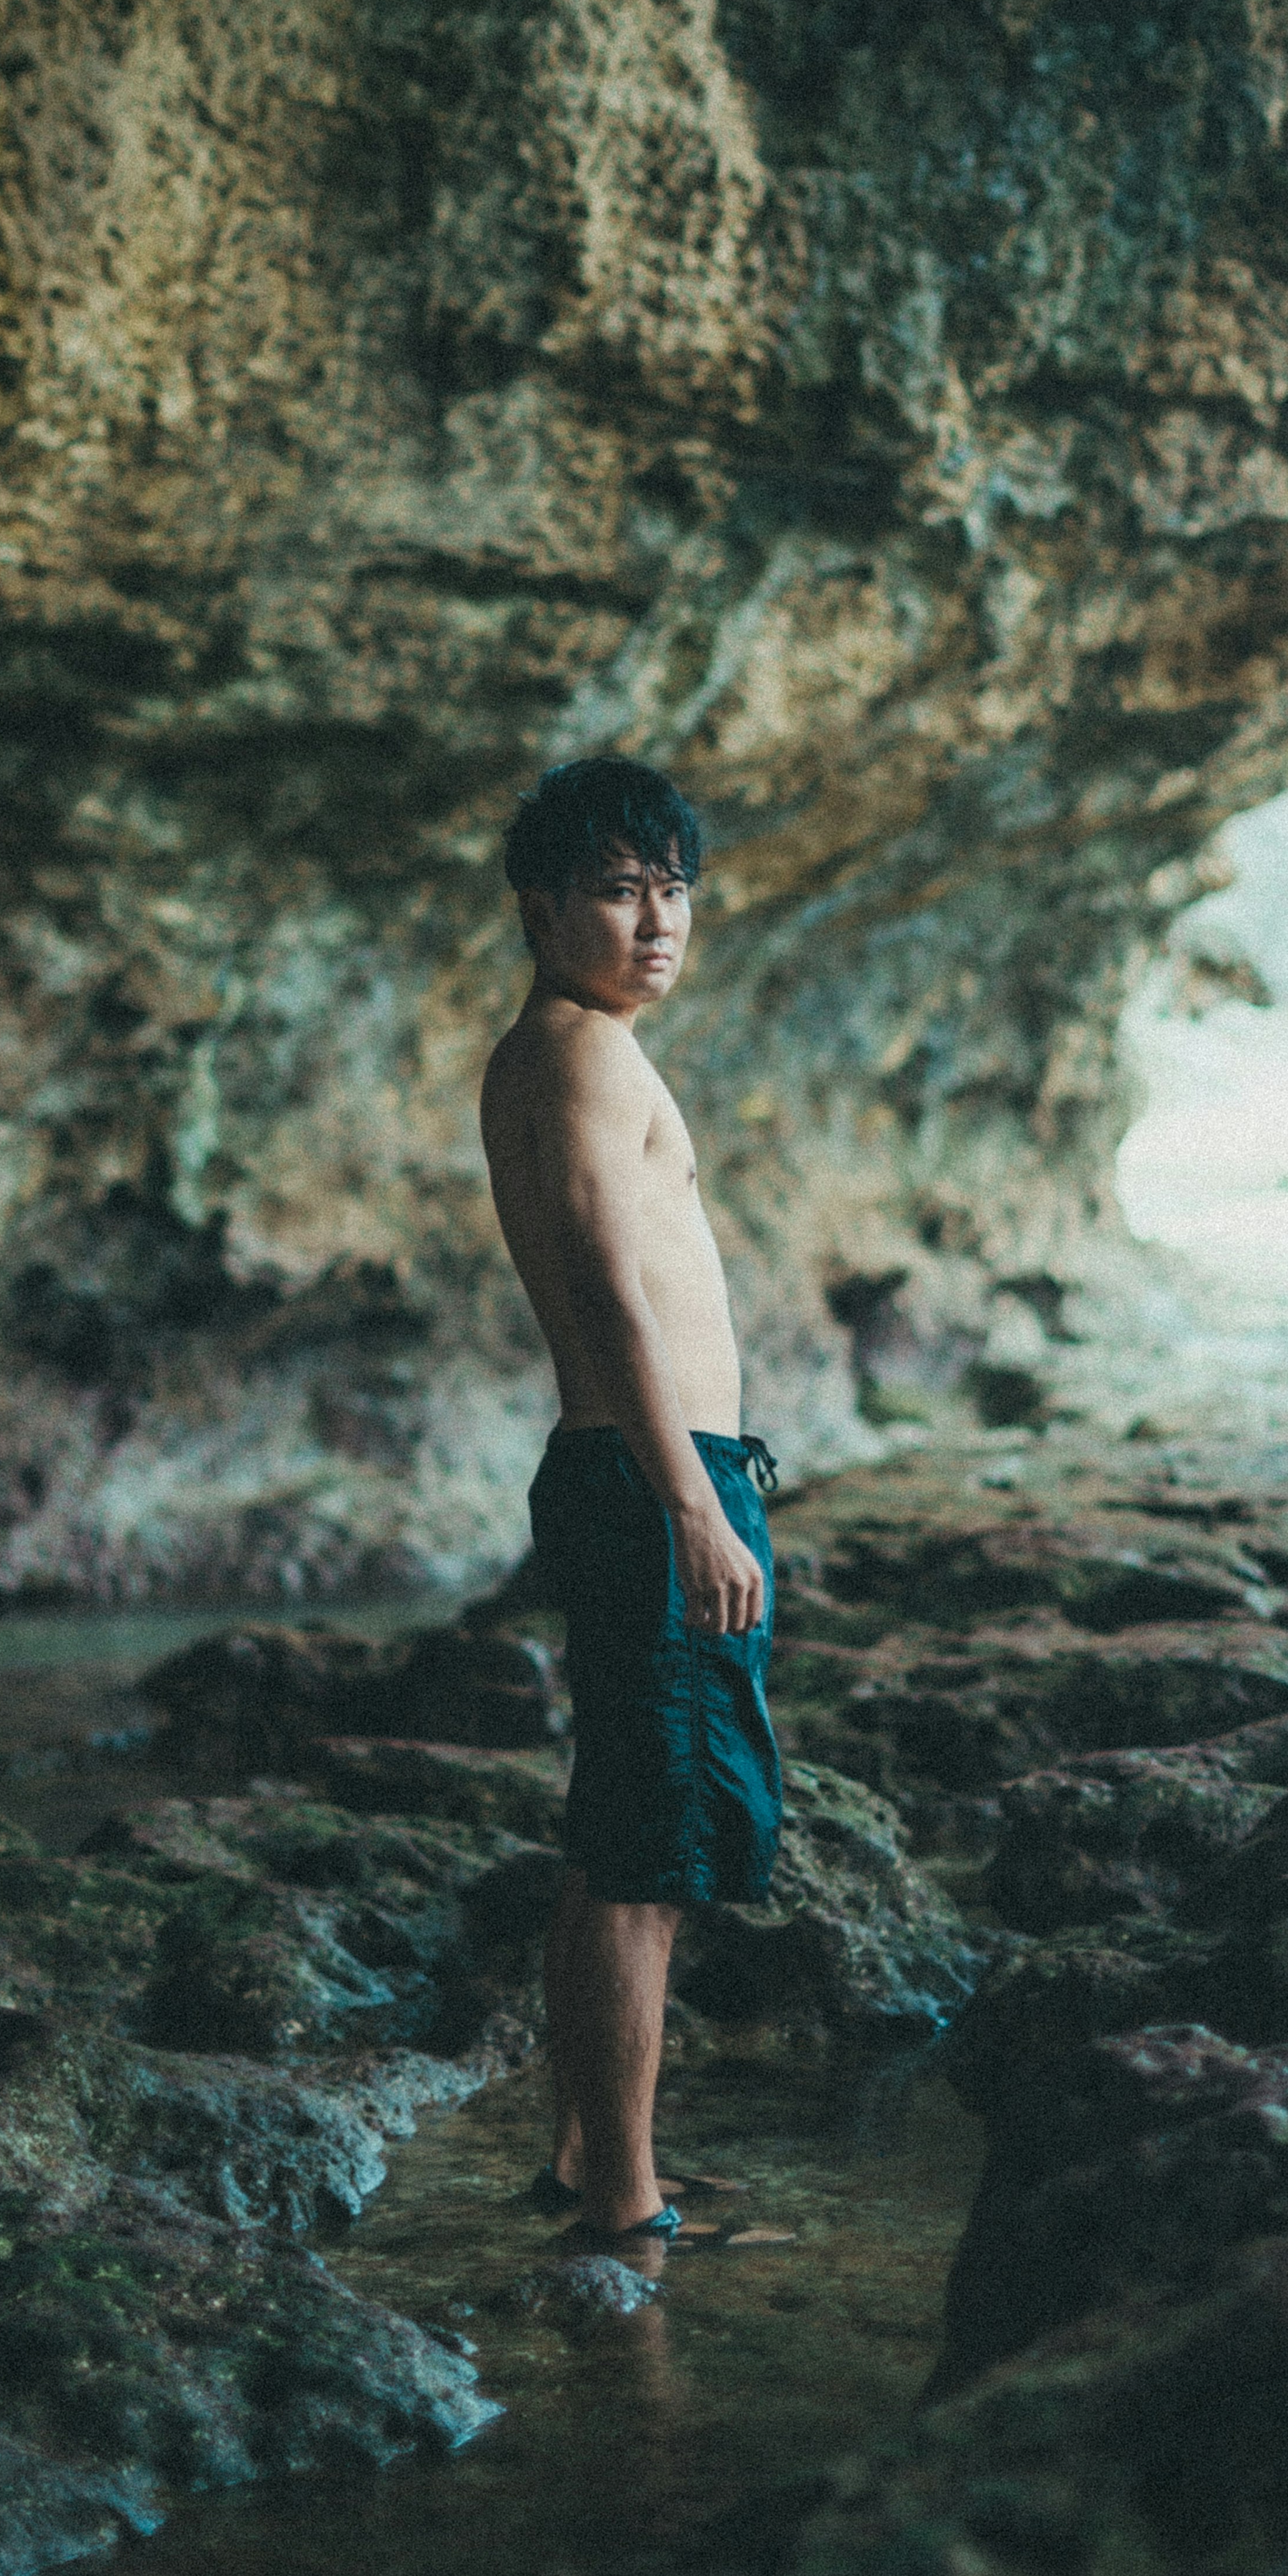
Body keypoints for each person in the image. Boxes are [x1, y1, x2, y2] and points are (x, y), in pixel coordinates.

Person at [479, 755, 784, 2246]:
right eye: (617, 889)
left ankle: (584, 2155)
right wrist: (693, 1505)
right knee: (641, 1860)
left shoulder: (570, 1048)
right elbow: (607, 1289)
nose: (657, 921)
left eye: (674, 888)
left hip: (643, 1472)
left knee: (626, 1835)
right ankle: (623, 2194)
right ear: (542, 910)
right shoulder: (578, 1054)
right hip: (647, 1475)